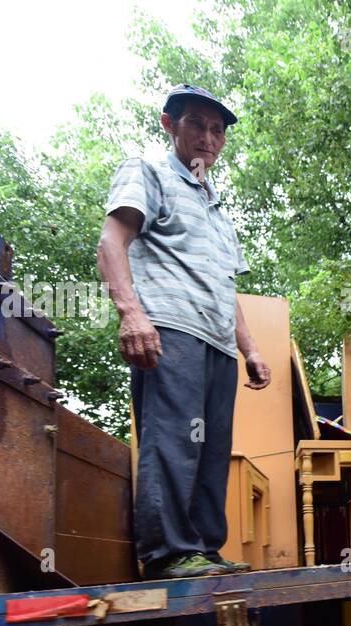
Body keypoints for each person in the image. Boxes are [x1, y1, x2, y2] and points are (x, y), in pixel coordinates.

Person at [98, 84, 271, 580]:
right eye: (196, 123)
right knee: (174, 439)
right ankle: (168, 552)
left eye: (217, 130)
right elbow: (112, 240)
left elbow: (225, 287)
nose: (208, 138)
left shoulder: (220, 212)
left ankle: (200, 548)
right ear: (169, 124)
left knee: (213, 448)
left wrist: (251, 348)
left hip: (217, 342)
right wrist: (131, 314)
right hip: (170, 330)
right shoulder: (147, 172)